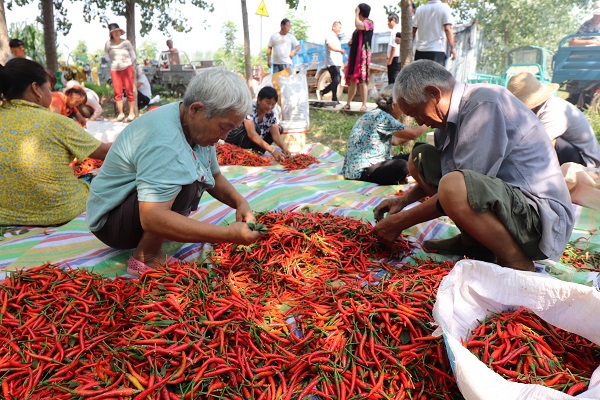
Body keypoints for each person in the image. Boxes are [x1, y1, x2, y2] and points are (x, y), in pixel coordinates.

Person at [373, 60, 574, 272]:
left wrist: (399, 222)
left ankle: (517, 262)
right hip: (510, 208)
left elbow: (461, 188)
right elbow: (452, 178)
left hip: (538, 221)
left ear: (434, 93)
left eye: (417, 113)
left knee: (454, 184)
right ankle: (476, 244)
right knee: (419, 158)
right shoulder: (448, 121)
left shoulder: (484, 104)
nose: (420, 122)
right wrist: (402, 201)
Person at [86, 68, 264, 276]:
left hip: (131, 209)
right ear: (196, 109)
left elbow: (214, 176)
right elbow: (152, 218)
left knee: (191, 176)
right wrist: (226, 234)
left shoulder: (193, 123)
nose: (223, 137)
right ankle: (146, 256)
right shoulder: (166, 141)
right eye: (223, 127)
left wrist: (240, 202)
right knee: (186, 181)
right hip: (111, 221)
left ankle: (153, 242)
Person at [0, 58, 111, 226]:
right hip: (60, 210)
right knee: (105, 180)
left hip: (6, 215)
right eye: (49, 88)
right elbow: (104, 153)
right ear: (36, 88)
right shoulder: (56, 122)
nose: (51, 94)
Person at [507, 72, 600, 168]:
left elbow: (534, 143)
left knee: (545, 143)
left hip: (586, 163)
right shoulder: (538, 109)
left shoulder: (554, 110)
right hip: (571, 154)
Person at [341, 85, 427, 185]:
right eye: (402, 106)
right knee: (402, 165)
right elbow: (413, 134)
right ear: (394, 105)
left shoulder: (375, 113)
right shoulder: (382, 117)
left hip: (363, 167)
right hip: (362, 172)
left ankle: (403, 177)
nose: (404, 110)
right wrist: (428, 119)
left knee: (415, 157)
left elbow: (395, 141)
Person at [225, 86, 290, 162]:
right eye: (268, 103)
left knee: (279, 128)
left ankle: (257, 151)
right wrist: (272, 150)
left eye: (273, 104)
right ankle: (241, 150)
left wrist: (284, 148)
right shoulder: (250, 108)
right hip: (236, 138)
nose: (270, 107)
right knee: (256, 128)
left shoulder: (270, 114)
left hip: (251, 139)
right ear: (259, 100)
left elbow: (276, 135)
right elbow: (252, 134)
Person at [343, 3, 374, 112]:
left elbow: (358, 25)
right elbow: (355, 37)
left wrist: (356, 14)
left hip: (363, 57)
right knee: (352, 80)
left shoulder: (369, 23)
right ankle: (348, 103)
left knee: (362, 81)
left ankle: (364, 104)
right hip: (355, 57)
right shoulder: (357, 30)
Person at [105, 23, 136, 122]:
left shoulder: (126, 43)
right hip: (115, 69)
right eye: (114, 32)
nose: (116, 33)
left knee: (129, 90)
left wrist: (127, 64)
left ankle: (131, 113)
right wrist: (113, 63)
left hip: (127, 68)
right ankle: (121, 113)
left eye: (118, 31)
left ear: (120, 32)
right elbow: (106, 56)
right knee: (117, 92)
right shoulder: (108, 44)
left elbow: (133, 56)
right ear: (111, 34)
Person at [412, 0, 455, 66]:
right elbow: (448, 28)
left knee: (420, 76)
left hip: (420, 51)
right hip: (437, 51)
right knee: (436, 76)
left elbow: (413, 30)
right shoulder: (444, 8)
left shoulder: (419, 10)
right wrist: (452, 48)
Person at [319, 21, 345, 104]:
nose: (339, 29)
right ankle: (325, 92)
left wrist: (341, 63)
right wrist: (339, 50)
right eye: (338, 27)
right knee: (336, 80)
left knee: (336, 80)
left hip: (337, 63)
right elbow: (330, 46)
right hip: (331, 62)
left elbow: (338, 53)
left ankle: (332, 97)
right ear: (333, 27)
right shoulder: (329, 35)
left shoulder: (336, 37)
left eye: (340, 28)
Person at [386, 13, 401, 85]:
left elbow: (393, 47)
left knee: (392, 80)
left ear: (393, 20)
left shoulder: (395, 30)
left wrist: (390, 60)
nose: (388, 23)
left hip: (394, 59)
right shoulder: (399, 29)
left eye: (389, 21)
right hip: (397, 58)